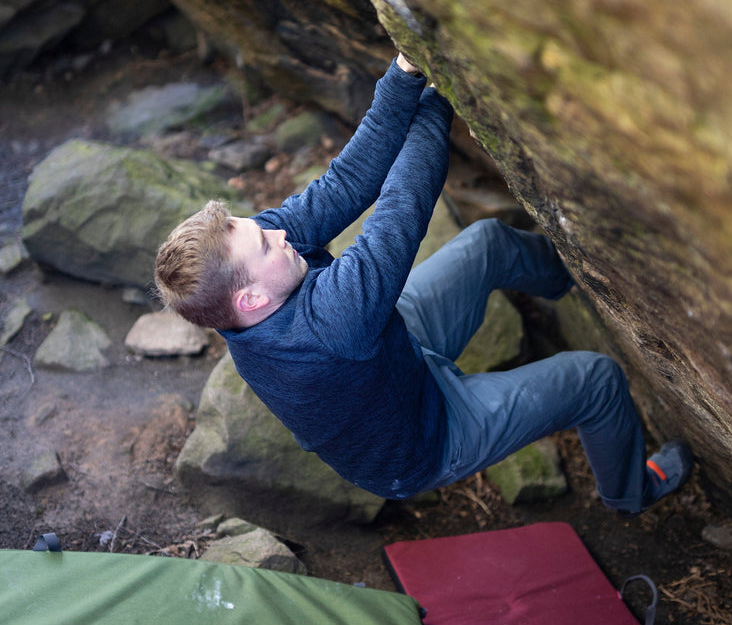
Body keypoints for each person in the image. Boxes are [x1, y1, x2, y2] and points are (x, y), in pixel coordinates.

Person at [154, 53, 692, 515]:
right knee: (597, 380)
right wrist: (439, 91)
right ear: (250, 299)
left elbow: (347, 181)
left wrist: (407, 71)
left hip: (393, 355)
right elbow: (402, 205)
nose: (277, 233)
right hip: (431, 438)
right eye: (266, 244)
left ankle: (580, 281)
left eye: (263, 228)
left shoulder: (248, 275)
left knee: (488, 244)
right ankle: (631, 493)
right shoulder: (332, 323)